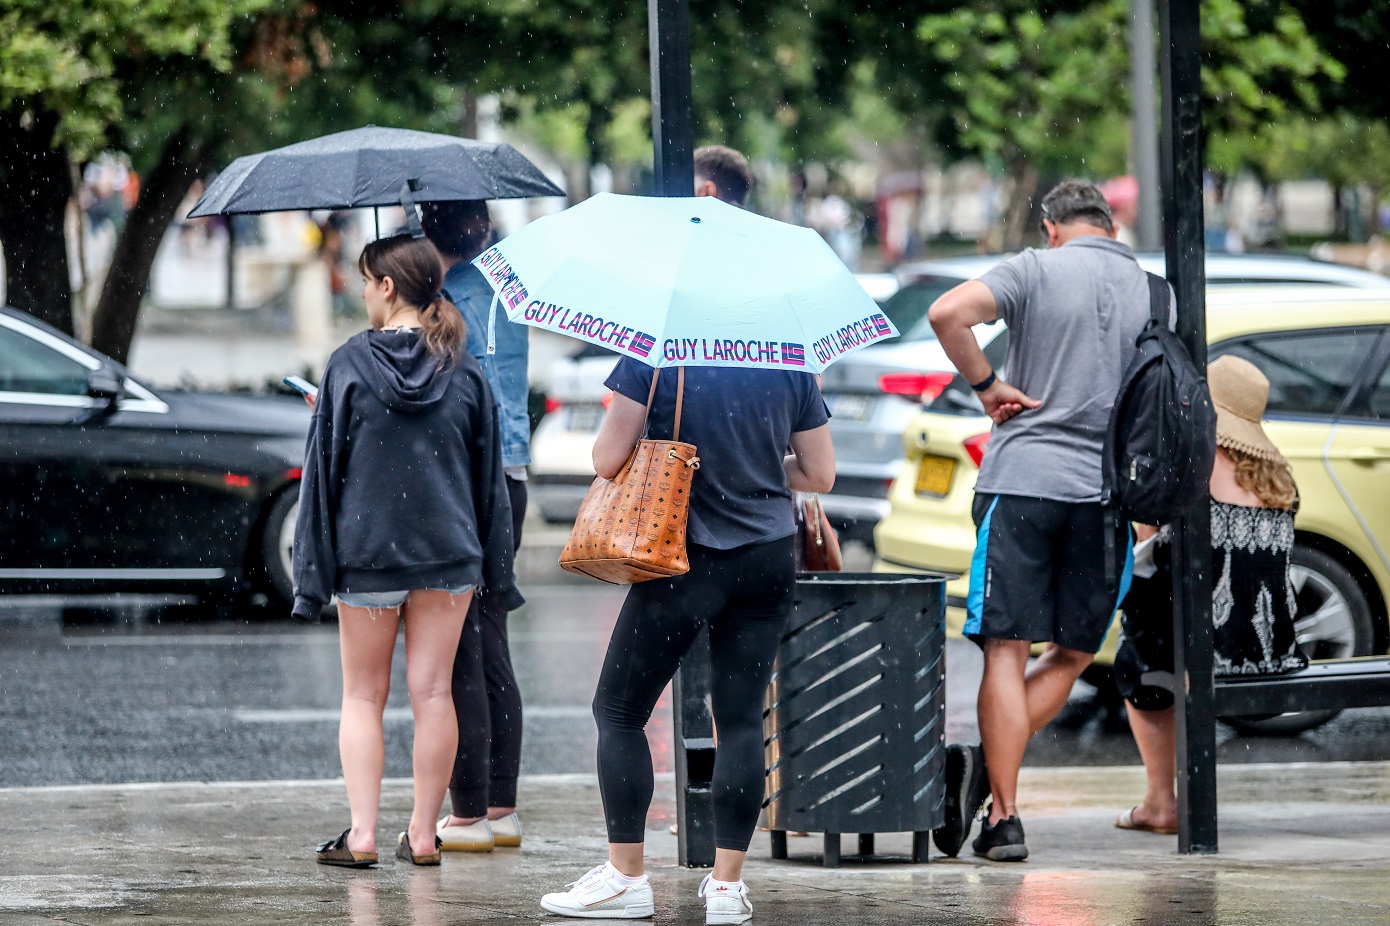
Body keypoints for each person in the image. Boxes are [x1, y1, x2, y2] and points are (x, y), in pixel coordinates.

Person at [537, 368, 835, 918]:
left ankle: (626, 877)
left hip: (684, 553)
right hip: (768, 556)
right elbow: (820, 473)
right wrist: (762, 465)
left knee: (621, 711)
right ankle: (726, 888)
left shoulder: (657, 354)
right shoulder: (786, 358)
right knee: (742, 720)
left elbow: (607, 458)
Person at [927, 179, 1154, 862]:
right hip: (1106, 493)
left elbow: (947, 314)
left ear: (1053, 227)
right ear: (1110, 228)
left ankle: (1005, 814)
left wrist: (987, 386)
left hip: (1022, 482)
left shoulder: (1033, 268)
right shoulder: (1156, 292)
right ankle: (988, 774)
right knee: (1076, 651)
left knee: (1006, 647)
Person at [294, 233, 519, 868]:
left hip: (366, 555)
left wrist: (313, 574)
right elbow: (488, 484)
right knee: (433, 695)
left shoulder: (347, 365)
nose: (362, 290)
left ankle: (362, 836)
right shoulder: (466, 370)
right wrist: (494, 570)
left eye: (366, 280)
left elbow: (323, 473)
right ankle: (424, 836)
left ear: (388, 287)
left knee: (363, 696)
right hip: (449, 556)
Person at [1114, 355, 1307, 835]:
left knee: (1137, 662)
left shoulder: (1191, 464)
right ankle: (1167, 799)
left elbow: (1144, 540)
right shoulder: (1278, 477)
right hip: (1268, 647)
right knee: (1164, 636)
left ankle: (1161, 802)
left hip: (1207, 647)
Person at [421, 200, 530, 853]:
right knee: (491, 637)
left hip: (465, 478)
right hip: (512, 476)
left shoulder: (441, 305)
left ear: (428, 235)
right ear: (483, 230)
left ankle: (467, 816)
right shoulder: (507, 293)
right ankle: (500, 807)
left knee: (457, 641)